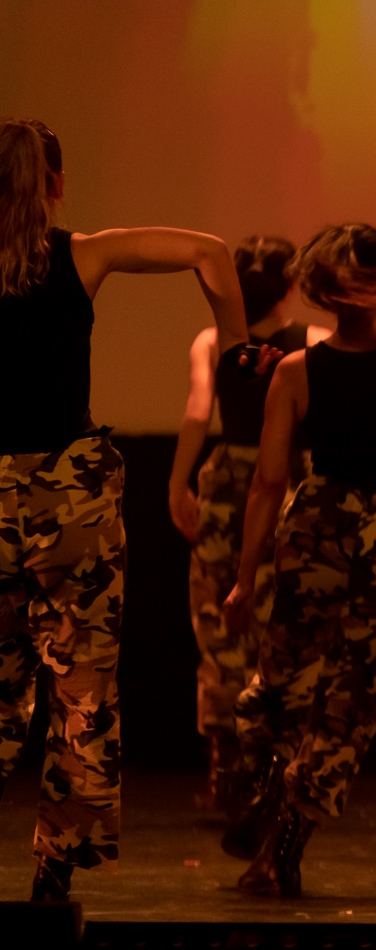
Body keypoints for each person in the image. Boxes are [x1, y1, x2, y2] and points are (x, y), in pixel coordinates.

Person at [0, 117, 249, 901]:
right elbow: (211, 251)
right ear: (56, 184)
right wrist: (238, 351)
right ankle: (56, 866)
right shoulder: (83, 253)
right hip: (67, 494)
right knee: (81, 684)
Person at [222, 223, 376, 899]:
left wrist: (244, 578)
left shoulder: (298, 371)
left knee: (286, 688)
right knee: (345, 706)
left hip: (321, 531)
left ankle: (271, 810)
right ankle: (282, 838)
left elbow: (269, 481)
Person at [168, 235, 330, 813]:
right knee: (286, 620)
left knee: (220, 622)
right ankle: (277, 766)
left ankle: (231, 768)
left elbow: (196, 413)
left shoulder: (215, 340)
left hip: (230, 483)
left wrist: (176, 484)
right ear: (291, 284)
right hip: (290, 479)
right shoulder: (314, 342)